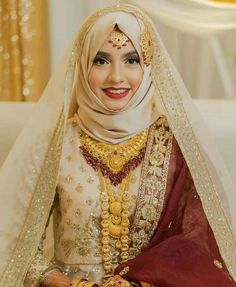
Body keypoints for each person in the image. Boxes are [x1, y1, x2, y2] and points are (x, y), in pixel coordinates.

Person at [0, 3, 236, 287]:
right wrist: (63, 283)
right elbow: (18, 248)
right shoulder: (55, 145)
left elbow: (198, 244)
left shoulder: (175, 145)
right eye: (101, 60)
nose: (116, 76)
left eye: (131, 60)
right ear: (83, 64)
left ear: (149, 66)